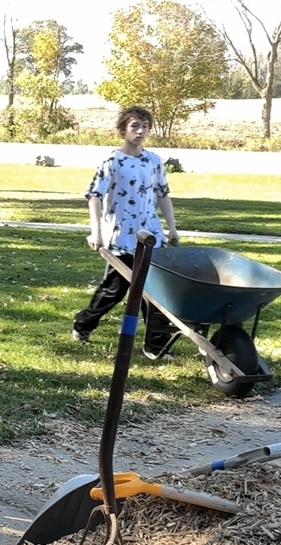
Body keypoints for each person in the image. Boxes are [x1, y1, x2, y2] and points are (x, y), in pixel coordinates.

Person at [72, 105, 180, 359]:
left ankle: (155, 345)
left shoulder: (153, 161)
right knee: (114, 290)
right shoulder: (112, 161)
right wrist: (95, 232)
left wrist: (172, 228)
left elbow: (163, 195)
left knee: (154, 292)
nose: (141, 131)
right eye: (135, 126)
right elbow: (94, 196)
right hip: (121, 238)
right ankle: (83, 325)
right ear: (123, 130)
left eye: (145, 127)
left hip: (151, 236)